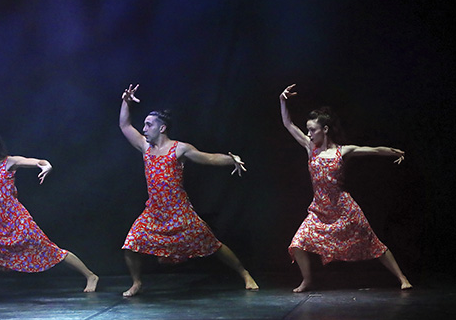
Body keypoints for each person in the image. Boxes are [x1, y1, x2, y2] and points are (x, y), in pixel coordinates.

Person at [119, 84, 259, 297]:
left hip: (180, 213)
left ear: (162, 128)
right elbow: (125, 126)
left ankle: (245, 273)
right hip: (154, 213)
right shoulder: (146, 148)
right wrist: (126, 102)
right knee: (130, 245)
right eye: (144, 125)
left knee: (213, 245)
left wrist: (231, 160)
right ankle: (137, 282)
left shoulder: (179, 149)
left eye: (148, 125)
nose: (144, 128)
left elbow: (208, 158)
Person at [279, 84, 413, 292]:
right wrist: (282, 101)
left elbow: (373, 150)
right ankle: (307, 280)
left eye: (312, 129)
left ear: (325, 129)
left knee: (372, 242)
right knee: (297, 244)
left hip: (344, 208)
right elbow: (288, 124)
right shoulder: (309, 148)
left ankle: (402, 277)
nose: (309, 133)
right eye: (308, 130)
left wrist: (396, 152)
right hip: (319, 210)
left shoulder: (342, 151)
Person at [0, 102, 98, 299]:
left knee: (50, 249)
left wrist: (46, 166)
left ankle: (90, 275)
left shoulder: (9, 162)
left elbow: (38, 161)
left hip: (17, 218)